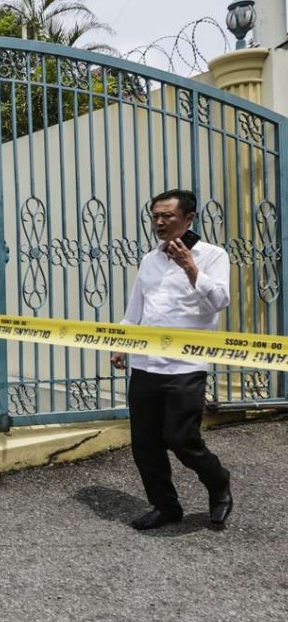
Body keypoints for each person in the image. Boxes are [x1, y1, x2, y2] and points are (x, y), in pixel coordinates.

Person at [110, 189, 233, 530]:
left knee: (182, 439)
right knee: (144, 444)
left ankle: (219, 482)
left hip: (186, 366)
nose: (160, 222)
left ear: (189, 218)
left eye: (168, 216)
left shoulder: (213, 256)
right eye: (155, 216)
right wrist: (121, 343)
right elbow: (135, 311)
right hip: (146, 364)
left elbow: (220, 301)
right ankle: (165, 507)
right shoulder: (150, 260)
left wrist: (191, 267)